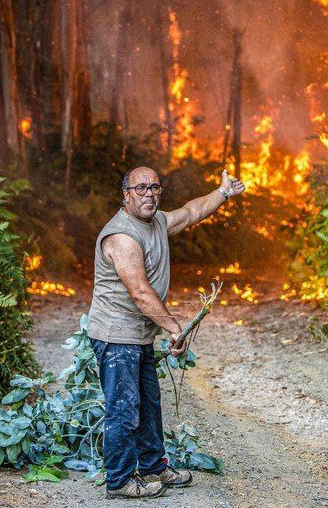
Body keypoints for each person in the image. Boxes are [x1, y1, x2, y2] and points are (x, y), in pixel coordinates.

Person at [87, 166, 245, 499]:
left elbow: (191, 212)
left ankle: (154, 467)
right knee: (125, 408)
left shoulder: (156, 222)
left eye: (155, 187)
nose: (149, 194)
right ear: (126, 194)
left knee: (148, 404)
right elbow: (141, 293)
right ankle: (119, 481)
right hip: (117, 336)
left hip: (138, 335)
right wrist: (175, 328)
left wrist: (224, 192)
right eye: (141, 188)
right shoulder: (122, 236)